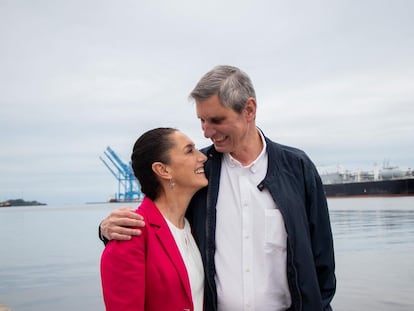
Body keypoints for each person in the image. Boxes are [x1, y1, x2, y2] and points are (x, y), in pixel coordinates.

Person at [99, 65, 336, 311]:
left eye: (216, 120)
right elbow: (160, 218)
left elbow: (323, 260)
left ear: (249, 110)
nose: (207, 131)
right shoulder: (199, 173)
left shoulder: (297, 167)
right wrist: (106, 230)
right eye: (202, 120)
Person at [100, 127, 208, 311]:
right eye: (190, 151)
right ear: (163, 170)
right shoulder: (130, 235)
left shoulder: (192, 225)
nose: (203, 157)